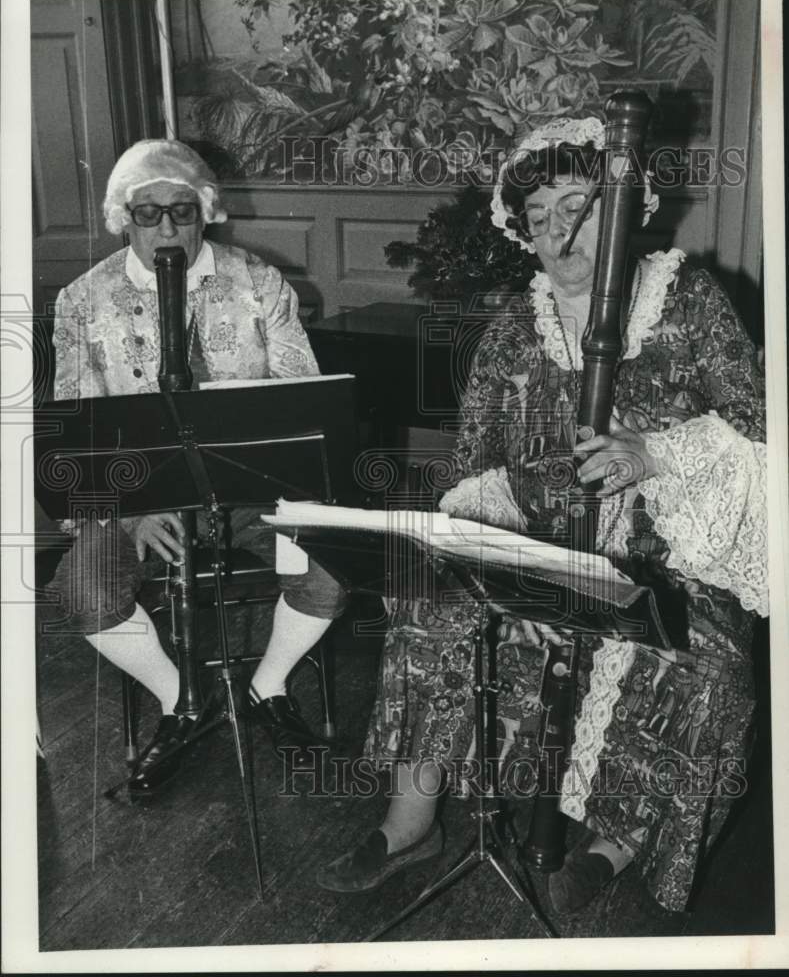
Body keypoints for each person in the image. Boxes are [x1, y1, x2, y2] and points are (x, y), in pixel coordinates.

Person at [315, 117, 767, 919]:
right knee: (431, 610)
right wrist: (514, 578)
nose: (558, 234)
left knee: (709, 662)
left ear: (625, 210)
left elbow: (763, 432)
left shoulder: (690, 301)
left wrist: (655, 453)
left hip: (675, 554)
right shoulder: (511, 327)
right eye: (538, 218)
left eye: (577, 206)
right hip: (535, 547)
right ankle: (407, 822)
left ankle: (612, 844)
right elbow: (469, 474)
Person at [47, 139, 347, 798]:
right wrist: (131, 508)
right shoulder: (81, 300)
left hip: (252, 494)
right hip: (136, 504)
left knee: (328, 572)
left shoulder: (260, 283)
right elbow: (73, 431)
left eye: (179, 210)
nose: (164, 228)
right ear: (122, 216)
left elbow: (302, 405)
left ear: (206, 211)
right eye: (145, 213)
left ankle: (267, 689)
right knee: (84, 593)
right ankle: (182, 699)